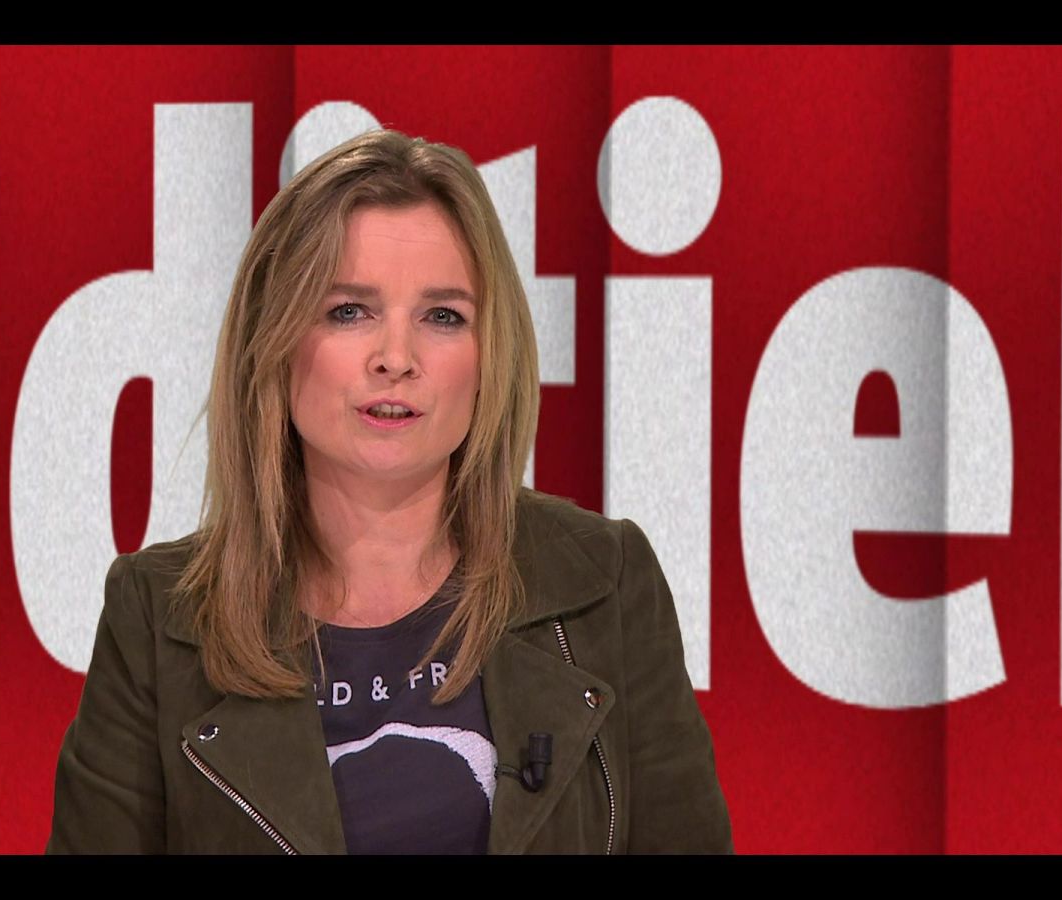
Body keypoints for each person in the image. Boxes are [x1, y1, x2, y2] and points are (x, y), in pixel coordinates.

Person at [45, 128, 732, 854]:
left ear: (489, 357)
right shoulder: (158, 619)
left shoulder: (603, 582)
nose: (396, 358)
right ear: (273, 343)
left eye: (443, 316)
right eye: (349, 310)